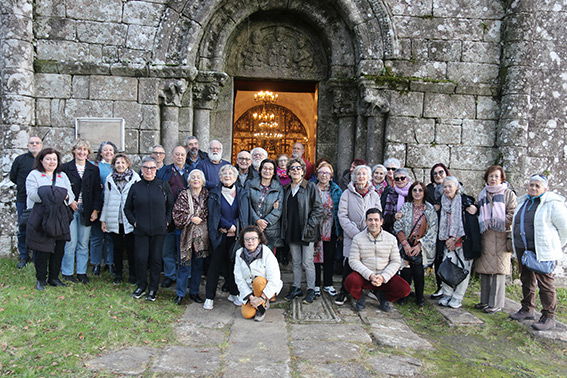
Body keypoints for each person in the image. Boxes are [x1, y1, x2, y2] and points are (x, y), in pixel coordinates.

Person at [509, 175, 567, 330]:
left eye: (537, 186)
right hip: (524, 248)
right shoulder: (523, 201)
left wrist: (553, 246)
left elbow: (565, 229)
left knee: (545, 283)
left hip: (542, 250)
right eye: (531, 185)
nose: (533, 188)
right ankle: (527, 309)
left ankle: (549, 317)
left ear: (545, 188)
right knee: (526, 279)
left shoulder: (552, 204)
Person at [124, 156, 173, 302]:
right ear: (142, 170)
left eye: (152, 168)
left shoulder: (163, 185)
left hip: (159, 230)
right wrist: (134, 223)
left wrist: (167, 221)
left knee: (156, 260)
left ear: (156, 170)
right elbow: (127, 208)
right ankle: (141, 285)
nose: (149, 171)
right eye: (146, 168)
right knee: (140, 259)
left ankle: (153, 289)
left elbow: (170, 206)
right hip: (141, 231)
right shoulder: (135, 186)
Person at [25, 148, 75, 290]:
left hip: (60, 216)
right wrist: (58, 193)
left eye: (54, 159)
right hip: (41, 215)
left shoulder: (62, 176)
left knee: (59, 248)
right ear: (41, 160)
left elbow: (69, 196)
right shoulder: (34, 175)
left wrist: (52, 193)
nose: (51, 162)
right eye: (48, 159)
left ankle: (54, 277)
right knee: (42, 248)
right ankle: (41, 279)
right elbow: (33, 195)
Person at [346, 208, 411, 312]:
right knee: (350, 281)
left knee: (404, 289)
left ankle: (383, 297)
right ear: (366, 221)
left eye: (376, 220)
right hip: (365, 276)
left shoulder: (391, 238)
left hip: (384, 276)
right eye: (370, 220)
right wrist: (370, 275)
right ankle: (360, 297)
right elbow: (353, 261)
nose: (373, 223)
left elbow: (396, 261)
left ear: (381, 221)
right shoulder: (358, 238)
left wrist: (383, 277)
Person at [204, 165, 249, 310]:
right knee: (214, 267)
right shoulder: (214, 194)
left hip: (236, 237)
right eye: (224, 174)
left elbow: (243, 214)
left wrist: (235, 228)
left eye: (230, 173)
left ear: (235, 177)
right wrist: (227, 226)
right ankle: (209, 297)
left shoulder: (242, 192)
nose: (227, 176)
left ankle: (234, 293)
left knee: (234, 266)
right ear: (220, 177)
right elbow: (213, 214)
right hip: (220, 235)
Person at [473, 166, 517, 314]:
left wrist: (498, 220)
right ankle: (484, 301)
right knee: (485, 270)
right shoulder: (482, 194)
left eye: (496, 176)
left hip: (501, 236)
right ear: (486, 178)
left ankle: (496, 303)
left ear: (502, 178)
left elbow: (513, 213)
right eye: (491, 176)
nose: (493, 179)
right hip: (486, 235)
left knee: (498, 271)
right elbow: (478, 211)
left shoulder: (508, 194)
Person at [335, 165, 381, 305]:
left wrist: (370, 231)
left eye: (364, 174)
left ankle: (366, 289)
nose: (361, 176)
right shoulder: (346, 194)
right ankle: (344, 290)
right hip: (352, 236)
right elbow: (342, 216)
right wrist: (356, 233)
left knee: (368, 263)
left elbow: (378, 213)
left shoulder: (374, 194)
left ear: (368, 177)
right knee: (349, 263)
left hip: (370, 235)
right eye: (358, 174)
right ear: (354, 177)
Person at [60, 139, 102, 284]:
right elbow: (61, 188)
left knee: (83, 243)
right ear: (74, 151)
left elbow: (98, 191)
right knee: (70, 242)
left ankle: (81, 272)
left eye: (85, 150)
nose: (82, 152)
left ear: (88, 153)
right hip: (70, 209)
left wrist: (96, 210)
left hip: (87, 210)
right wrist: (69, 201)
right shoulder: (65, 168)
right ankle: (67, 272)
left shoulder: (93, 169)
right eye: (79, 149)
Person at [282, 158, 323, 304]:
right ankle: (296, 287)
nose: (295, 170)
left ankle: (311, 289)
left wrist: (310, 226)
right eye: (292, 168)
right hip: (292, 230)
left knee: (307, 262)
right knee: (296, 262)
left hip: (306, 231)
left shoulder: (310, 187)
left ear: (303, 171)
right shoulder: (286, 189)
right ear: (288, 171)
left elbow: (318, 209)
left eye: (298, 168)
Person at [437, 176, 480, 309]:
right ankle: (447, 293)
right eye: (445, 186)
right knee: (447, 267)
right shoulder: (442, 202)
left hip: (464, 241)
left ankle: (457, 297)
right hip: (446, 241)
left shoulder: (465, 201)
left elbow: (470, 224)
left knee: (463, 269)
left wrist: (456, 238)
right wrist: (448, 239)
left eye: (450, 186)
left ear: (457, 188)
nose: (447, 189)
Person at [393, 181, 438, 306]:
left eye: (420, 190)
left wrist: (420, 245)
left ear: (424, 193)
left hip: (421, 244)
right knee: (406, 270)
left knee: (418, 270)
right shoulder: (406, 207)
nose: (417, 193)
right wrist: (405, 244)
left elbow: (433, 230)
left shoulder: (429, 209)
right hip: (406, 242)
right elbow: (398, 226)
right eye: (415, 190)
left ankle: (420, 297)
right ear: (411, 192)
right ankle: (404, 295)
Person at [100, 153, 141, 284]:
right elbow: (106, 200)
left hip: (129, 219)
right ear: (114, 165)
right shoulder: (109, 179)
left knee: (131, 249)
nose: (120, 165)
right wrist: (103, 219)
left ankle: (133, 275)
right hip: (114, 218)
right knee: (116, 248)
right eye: (118, 163)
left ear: (128, 164)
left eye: (123, 162)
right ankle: (118, 274)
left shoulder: (135, 178)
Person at [172, 169, 209, 305]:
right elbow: (177, 213)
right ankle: (180, 293)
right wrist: (191, 218)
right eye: (193, 177)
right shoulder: (183, 194)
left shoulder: (207, 195)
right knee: (184, 265)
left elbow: (210, 211)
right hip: (185, 235)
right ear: (189, 180)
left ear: (202, 180)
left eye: (198, 177)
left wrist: (201, 218)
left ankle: (194, 292)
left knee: (198, 265)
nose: (195, 179)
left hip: (201, 236)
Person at [156, 146, 191, 288]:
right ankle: (170, 275)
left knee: (185, 249)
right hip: (168, 214)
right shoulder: (164, 171)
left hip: (186, 215)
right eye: (177, 154)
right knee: (167, 248)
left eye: (182, 154)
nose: (180, 157)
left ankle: (185, 276)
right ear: (172, 155)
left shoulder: (192, 171)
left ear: (185, 156)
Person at [234, 226, 283, 321]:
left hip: (265, 288)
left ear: (259, 239)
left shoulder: (267, 253)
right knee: (247, 314)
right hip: (250, 291)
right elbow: (238, 278)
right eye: (247, 239)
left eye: (253, 238)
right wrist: (251, 298)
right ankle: (257, 304)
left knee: (258, 281)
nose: (250, 242)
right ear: (243, 241)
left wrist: (262, 297)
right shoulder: (239, 253)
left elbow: (274, 278)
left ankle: (263, 304)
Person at [10, 135, 43, 268]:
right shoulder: (20, 160)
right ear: (28, 145)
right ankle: (24, 256)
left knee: (39, 228)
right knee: (23, 228)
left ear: (41, 145)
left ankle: (37, 256)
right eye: (32, 143)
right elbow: (13, 177)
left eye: (37, 143)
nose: (34, 145)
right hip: (23, 199)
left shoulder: (46, 159)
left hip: (41, 200)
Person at [313, 162, 342, 297]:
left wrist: (340, 230)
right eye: (321, 172)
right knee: (316, 258)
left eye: (327, 173)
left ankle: (328, 284)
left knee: (329, 257)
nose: (324, 175)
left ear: (331, 176)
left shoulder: (336, 190)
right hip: (315, 228)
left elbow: (341, 210)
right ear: (317, 175)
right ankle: (316, 284)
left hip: (330, 227)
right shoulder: (311, 188)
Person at [90, 141, 118, 276]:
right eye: (105, 150)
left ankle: (110, 262)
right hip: (99, 204)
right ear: (101, 153)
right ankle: (96, 263)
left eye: (111, 150)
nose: (108, 153)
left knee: (110, 236)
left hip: (113, 206)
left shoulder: (118, 166)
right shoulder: (95, 167)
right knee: (96, 236)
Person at [424, 163, 451, 299]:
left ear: (446, 173)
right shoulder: (428, 189)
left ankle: (449, 288)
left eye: (441, 172)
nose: (438, 175)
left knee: (448, 258)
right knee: (437, 258)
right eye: (435, 173)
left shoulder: (454, 187)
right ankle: (440, 286)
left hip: (449, 228)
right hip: (434, 228)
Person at [247, 159, 283, 250]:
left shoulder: (278, 188)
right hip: (253, 226)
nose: (267, 171)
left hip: (271, 229)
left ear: (274, 172)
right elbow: (247, 205)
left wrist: (264, 223)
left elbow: (278, 209)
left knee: (267, 258)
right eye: (265, 168)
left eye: (270, 169)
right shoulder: (250, 184)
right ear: (260, 170)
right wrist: (257, 221)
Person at [381, 168, 412, 233]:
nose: (400, 180)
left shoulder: (414, 192)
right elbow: (386, 216)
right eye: (397, 179)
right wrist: (394, 217)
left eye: (402, 178)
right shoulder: (391, 193)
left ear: (408, 179)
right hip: (394, 229)